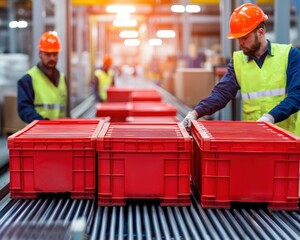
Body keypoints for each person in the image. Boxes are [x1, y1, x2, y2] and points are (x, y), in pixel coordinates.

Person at [181, 3, 300, 136]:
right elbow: (222, 93)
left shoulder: (290, 55)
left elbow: (297, 94)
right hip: (253, 138)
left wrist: (270, 117)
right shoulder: (238, 61)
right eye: (238, 39)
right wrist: (196, 112)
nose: (240, 43)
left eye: (244, 38)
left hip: (287, 139)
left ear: (261, 32)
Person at [17, 31, 68, 123]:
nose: (52, 58)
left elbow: (65, 110)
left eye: (55, 54)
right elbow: (24, 110)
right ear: (40, 54)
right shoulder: (28, 79)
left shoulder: (62, 78)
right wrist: (44, 122)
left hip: (59, 132)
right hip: (38, 134)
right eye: (48, 54)